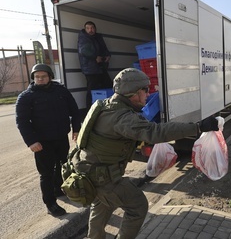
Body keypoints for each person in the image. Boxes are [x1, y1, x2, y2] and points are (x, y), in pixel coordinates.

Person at [74, 68, 219, 238]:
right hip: (103, 177)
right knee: (137, 206)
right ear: (134, 93)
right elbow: (156, 132)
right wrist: (198, 127)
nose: (148, 94)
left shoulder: (107, 105)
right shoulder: (123, 118)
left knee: (102, 204)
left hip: (89, 171)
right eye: (145, 90)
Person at [15, 64, 81, 217]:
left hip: (61, 137)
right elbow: (22, 121)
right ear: (33, 78)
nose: (40, 79)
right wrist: (31, 142)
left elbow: (74, 110)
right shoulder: (26, 97)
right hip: (42, 143)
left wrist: (76, 128)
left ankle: (59, 189)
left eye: (43, 76)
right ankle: (50, 203)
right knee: (46, 173)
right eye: (37, 77)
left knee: (63, 165)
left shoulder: (61, 91)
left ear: (50, 76)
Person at [78, 21, 113, 110]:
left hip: (100, 67)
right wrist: (95, 57)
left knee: (108, 86)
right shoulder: (84, 38)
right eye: (88, 28)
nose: (90, 30)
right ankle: (89, 111)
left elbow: (104, 48)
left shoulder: (98, 37)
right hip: (90, 69)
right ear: (85, 29)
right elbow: (83, 51)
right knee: (92, 90)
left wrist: (108, 55)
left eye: (92, 28)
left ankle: (107, 108)